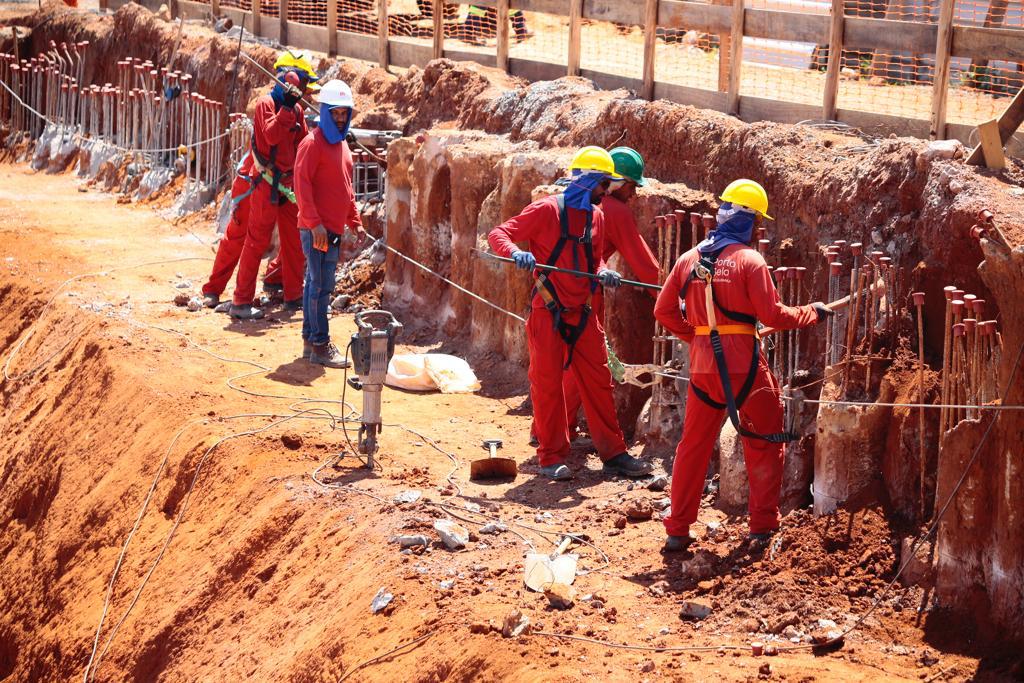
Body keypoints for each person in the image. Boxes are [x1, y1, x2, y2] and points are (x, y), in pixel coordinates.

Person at [653, 179, 832, 552]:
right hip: (745, 368)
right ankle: (762, 526)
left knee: (693, 446)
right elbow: (773, 314)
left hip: (704, 369)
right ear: (750, 222)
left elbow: (663, 311)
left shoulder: (689, 259)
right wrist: (811, 314)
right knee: (765, 440)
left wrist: (700, 337)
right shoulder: (750, 261)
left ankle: (678, 528)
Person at [488, 147, 651, 481]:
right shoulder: (546, 210)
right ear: (589, 181)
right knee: (547, 384)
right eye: (604, 184)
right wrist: (517, 252)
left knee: (598, 381)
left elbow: (594, 260)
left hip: (584, 311)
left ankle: (614, 453)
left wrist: (604, 271)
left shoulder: (597, 216)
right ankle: (550, 455)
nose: (606, 192)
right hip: (548, 310)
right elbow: (499, 234)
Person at [201, 49, 317, 319]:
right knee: (247, 237)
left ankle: (292, 295)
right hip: (259, 180)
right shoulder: (267, 104)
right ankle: (229, 295)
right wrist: (286, 108)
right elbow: (271, 136)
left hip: (286, 185)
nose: (306, 91)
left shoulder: (298, 108)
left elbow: (303, 144)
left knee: (293, 240)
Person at [557, 146, 660, 440]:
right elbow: (643, 263)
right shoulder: (614, 211)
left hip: (561, 290)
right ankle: (555, 430)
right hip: (586, 295)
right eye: (631, 185)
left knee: (569, 360)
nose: (634, 193)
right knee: (586, 363)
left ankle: (553, 428)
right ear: (615, 183)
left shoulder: (584, 204)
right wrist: (672, 299)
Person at [293, 79, 363, 368]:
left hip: (331, 228)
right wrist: (314, 222)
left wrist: (355, 221)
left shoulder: (343, 146)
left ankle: (311, 339)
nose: (340, 118)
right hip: (317, 229)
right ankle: (320, 345)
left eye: (344, 113)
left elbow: (346, 188)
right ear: (324, 111)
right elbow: (301, 185)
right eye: (335, 112)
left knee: (317, 283)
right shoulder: (312, 144)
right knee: (320, 286)